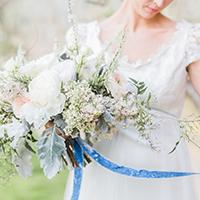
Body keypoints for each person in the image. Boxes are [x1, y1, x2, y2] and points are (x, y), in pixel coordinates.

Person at [64, 0, 200, 199]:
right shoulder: (82, 38)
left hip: (164, 175)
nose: (160, 2)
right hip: (101, 173)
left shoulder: (188, 38)